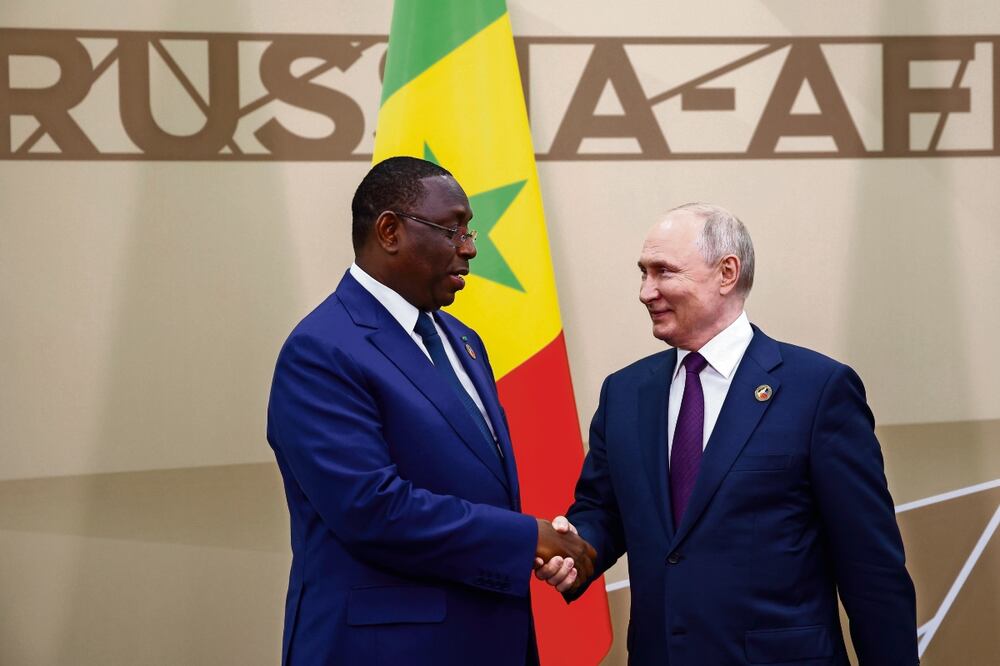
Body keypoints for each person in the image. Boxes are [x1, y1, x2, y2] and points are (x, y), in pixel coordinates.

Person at [537, 203, 918, 665]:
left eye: (663, 272)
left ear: (727, 272)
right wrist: (576, 551)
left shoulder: (817, 390)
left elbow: (870, 567)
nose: (645, 291)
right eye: (642, 273)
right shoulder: (625, 393)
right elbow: (605, 510)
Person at [266, 156, 595, 666]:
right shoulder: (322, 349)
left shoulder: (463, 340)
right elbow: (372, 510)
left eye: (469, 232)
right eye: (452, 229)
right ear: (390, 231)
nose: (469, 248)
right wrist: (528, 537)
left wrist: (533, 544)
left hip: (490, 640)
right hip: (385, 650)